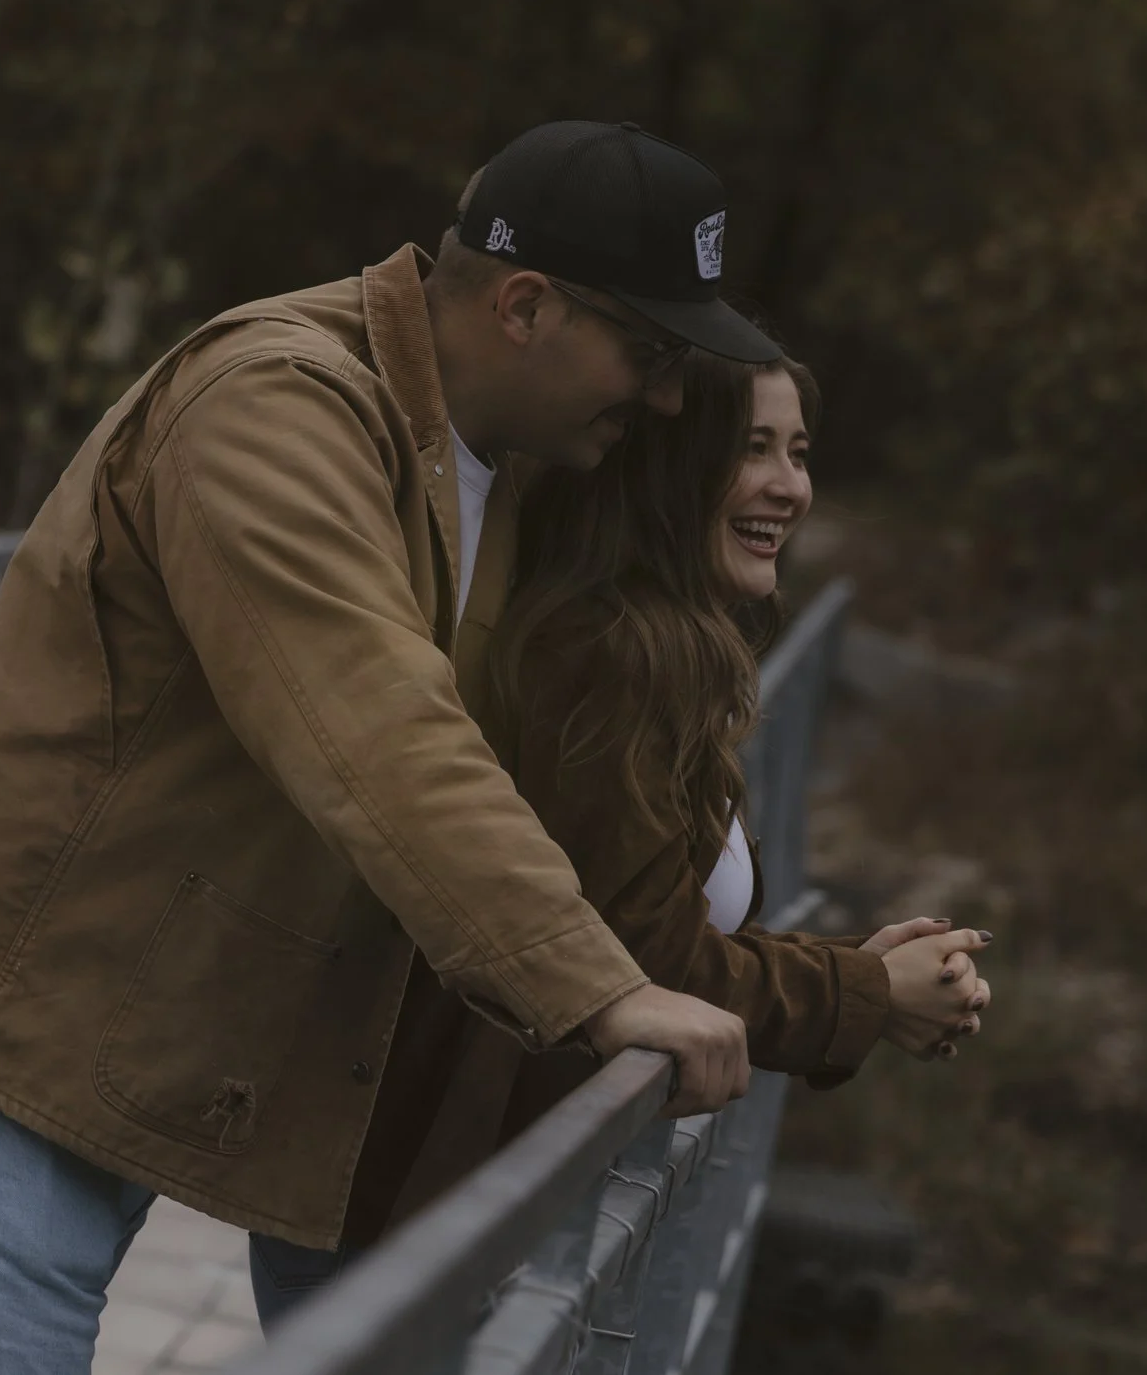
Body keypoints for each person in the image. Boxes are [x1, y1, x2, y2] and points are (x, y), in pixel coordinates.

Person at [0, 121, 784, 1375]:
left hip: (138, 1052)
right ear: (526, 305)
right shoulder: (273, 400)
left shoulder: (501, 464)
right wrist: (598, 984)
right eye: (645, 352)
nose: (656, 396)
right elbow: (369, 720)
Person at [249, 348, 994, 1321]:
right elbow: (637, 963)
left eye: (800, 451)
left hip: (490, 1200)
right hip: (424, 1200)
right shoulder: (605, 659)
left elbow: (641, 926)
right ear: (667, 468)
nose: (789, 484)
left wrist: (868, 974)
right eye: (751, 447)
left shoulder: (674, 656)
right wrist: (864, 991)